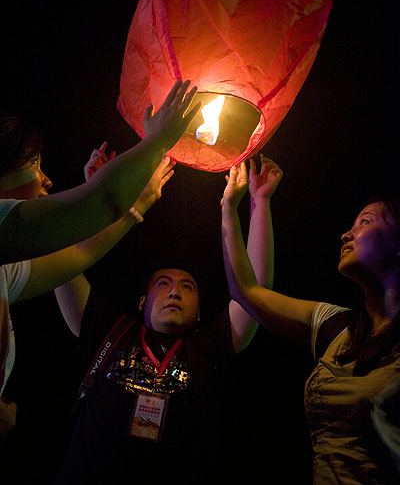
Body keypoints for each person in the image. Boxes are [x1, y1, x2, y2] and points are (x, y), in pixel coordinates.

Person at [52, 154, 282, 484]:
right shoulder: (110, 331)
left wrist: (258, 203)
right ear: (143, 301)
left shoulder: (209, 348)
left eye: (187, 287)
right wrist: (98, 193)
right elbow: (65, 261)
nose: (174, 293)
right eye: (163, 284)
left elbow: (257, 290)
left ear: (200, 310)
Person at [0, 79, 200, 440]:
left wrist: (133, 205)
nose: (45, 180)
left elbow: (77, 253)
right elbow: (101, 202)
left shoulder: (5, 271)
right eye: (33, 164)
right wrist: (157, 141)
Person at [221, 161, 400, 485]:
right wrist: (238, 205)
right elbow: (246, 291)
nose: (347, 233)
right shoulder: (336, 326)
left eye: (366, 222)